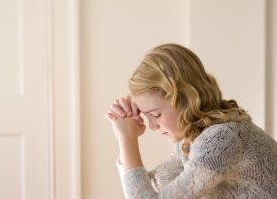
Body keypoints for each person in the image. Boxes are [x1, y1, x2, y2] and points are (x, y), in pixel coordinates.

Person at [105, 43, 277, 199]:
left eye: (156, 114)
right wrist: (126, 128)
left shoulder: (221, 139)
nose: (152, 126)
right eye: (145, 115)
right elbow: (155, 183)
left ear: (184, 99)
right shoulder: (193, 139)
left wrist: (127, 140)